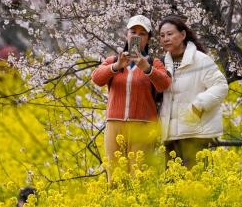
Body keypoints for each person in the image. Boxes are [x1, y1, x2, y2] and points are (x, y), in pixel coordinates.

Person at [91, 14, 171, 181]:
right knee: (115, 177)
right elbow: (97, 79)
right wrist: (116, 66)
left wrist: (146, 67)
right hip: (114, 123)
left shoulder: (154, 63)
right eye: (133, 31)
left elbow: (164, 84)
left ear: (148, 39)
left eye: (142, 34)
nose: (136, 36)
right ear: (126, 35)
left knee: (138, 177)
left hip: (143, 126)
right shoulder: (113, 60)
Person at [157, 15, 229, 168]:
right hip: (170, 136)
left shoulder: (200, 60)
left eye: (170, 34)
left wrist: (198, 105)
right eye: (162, 36)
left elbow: (221, 85)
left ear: (183, 35)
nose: (165, 39)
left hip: (195, 133)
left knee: (194, 184)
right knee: (172, 186)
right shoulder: (163, 63)